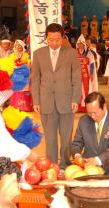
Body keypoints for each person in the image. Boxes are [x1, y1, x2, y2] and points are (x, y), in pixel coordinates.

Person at [31, 23, 81, 169]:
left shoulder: (71, 53)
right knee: (50, 139)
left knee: (66, 139)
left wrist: (75, 99)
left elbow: (76, 78)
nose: (54, 42)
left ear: (62, 38)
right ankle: (52, 166)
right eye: (51, 39)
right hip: (46, 102)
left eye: (57, 39)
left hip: (66, 101)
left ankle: (66, 166)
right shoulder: (38, 54)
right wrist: (36, 100)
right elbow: (35, 79)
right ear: (46, 38)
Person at [71, 92, 109, 175]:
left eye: (95, 113)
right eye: (89, 113)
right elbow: (77, 143)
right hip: (88, 169)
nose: (92, 116)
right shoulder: (83, 121)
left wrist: (97, 160)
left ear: (104, 107)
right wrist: (77, 155)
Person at [9, 39, 33, 112]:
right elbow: (9, 64)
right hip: (15, 76)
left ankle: (25, 106)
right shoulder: (12, 55)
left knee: (24, 90)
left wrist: (23, 66)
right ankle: (15, 106)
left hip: (24, 75)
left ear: (22, 46)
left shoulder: (26, 55)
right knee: (16, 91)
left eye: (19, 46)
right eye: (16, 45)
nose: (18, 47)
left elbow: (29, 64)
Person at [76, 35, 95, 112]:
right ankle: (78, 107)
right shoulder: (74, 53)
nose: (80, 45)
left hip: (86, 74)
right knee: (77, 90)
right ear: (77, 45)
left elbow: (92, 64)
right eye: (79, 44)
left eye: (82, 44)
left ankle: (86, 106)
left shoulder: (89, 53)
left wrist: (91, 74)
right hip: (76, 74)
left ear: (84, 45)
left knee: (86, 90)